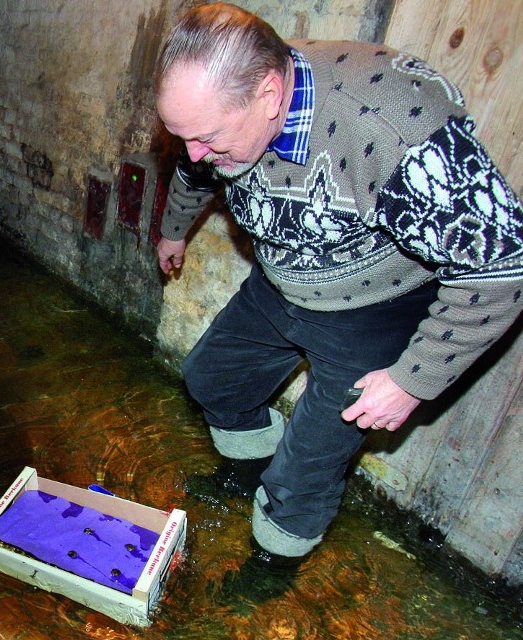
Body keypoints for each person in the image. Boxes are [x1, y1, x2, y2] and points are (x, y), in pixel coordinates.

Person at [154, 2, 523, 568]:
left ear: (270, 96)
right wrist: (174, 230)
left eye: (208, 137)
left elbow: (503, 264)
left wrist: (412, 379)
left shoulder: (397, 127)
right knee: (211, 379)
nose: (195, 154)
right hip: (281, 281)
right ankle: (248, 473)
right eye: (184, 136)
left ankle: (272, 562)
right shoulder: (217, 123)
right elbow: (191, 170)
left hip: (375, 310)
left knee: (306, 469)